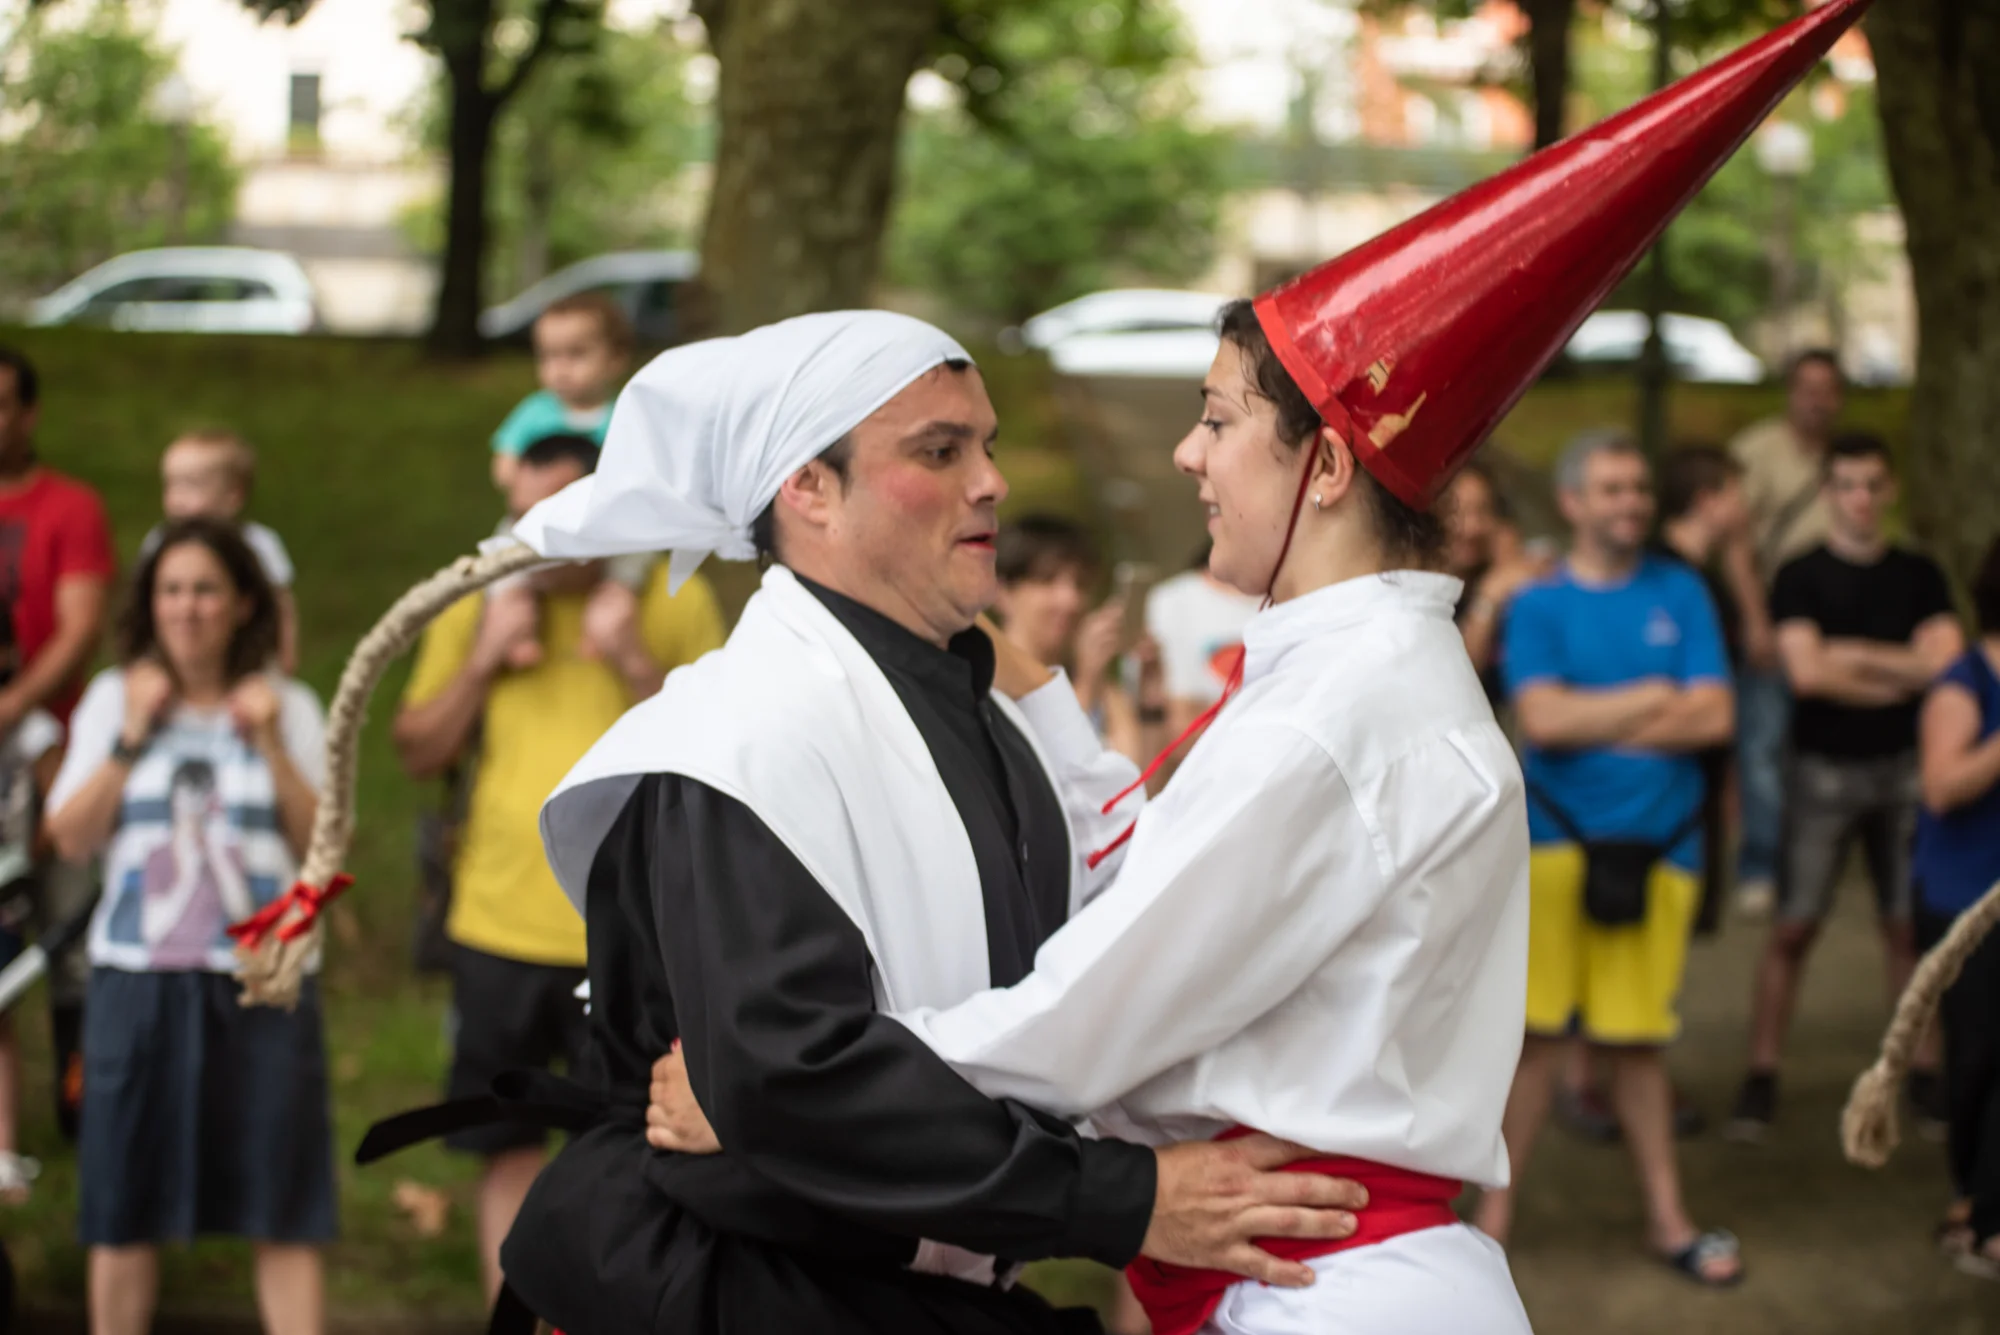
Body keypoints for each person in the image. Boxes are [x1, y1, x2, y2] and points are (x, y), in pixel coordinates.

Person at [639, 4, 1868, 1327]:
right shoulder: (1353, 679)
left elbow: (1088, 1015)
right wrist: (1038, 691)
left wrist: (774, 1095)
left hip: (1327, 1291)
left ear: (1325, 464)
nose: (1188, 453)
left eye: (1218, 419)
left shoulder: (1335, 718)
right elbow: (1162, 875)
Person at [390, 432, 724, 1303]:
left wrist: (634, 659)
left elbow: (729, 759)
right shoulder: (480, 600)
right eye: (524, 519)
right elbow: (417, 750)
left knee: (622, 1148)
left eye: (561, 517)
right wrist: (481, 658)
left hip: (631, 937)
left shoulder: (673, 592)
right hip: (496, 921)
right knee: (503, 1140)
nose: (538, 539)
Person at [43, 518, 330, 1335]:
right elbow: (68, 836)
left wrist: (270, 743)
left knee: (283, 1202)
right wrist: (130, 739)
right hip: (137, 985)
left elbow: (324, 845)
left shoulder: (291, 705)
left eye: (206, 589)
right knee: (122, 1201)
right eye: (171, 589)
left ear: (244, 603)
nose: (187, 607)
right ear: (150, 603)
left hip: (265, 987)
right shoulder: (113, 698)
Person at [1473, 430, 1741, 1287]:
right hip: (1557, 844)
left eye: (1639, 487)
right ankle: (1488, 1229)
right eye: (1612, 488)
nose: (1631, 502)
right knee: (1539, 1039)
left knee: (1637, 1040)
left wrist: (1598, 714)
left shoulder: (1682, 589)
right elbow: (1542, 721)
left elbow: (1716, 716)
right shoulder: (1539, 600)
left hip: (1664, 848)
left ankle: (1669, 1220)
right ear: (1572, 502)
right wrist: (1659, 695)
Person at [1730, 433, 1963, 1140]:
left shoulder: (1919, 573)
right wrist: (1898, 669)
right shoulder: (1801, 574)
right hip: (1821, 771)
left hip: (1906, 770)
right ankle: (1761, 1071)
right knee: (1794, 924)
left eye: (1871, 484)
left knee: (1907, 926)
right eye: (1847, 484)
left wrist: (1850, 654)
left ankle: (1920, 1071)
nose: (1860, 498)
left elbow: (1944, 669)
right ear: (1828, 492)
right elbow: (1807, 675)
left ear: (1889, 490)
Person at [0, 345, 118, 1147]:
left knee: (73, 938)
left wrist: (13, 707)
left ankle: (85, 1109)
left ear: (29, 413)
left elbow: (80, 630)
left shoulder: (69, 508)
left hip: (62, 757)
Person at [1726, 349, 1845, 918]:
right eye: (1807, 387)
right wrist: (1755, 621)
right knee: (1763, 746)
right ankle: (1760, 864)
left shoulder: (1845, 458)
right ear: (1790, 392)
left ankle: (1816, 860)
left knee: (1819, 746)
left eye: (1827, 389)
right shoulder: (1758, 451)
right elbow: (1736, 546)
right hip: (1775, 613)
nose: (1816, 400)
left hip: (1834, 621)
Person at [1914, 536, 2000, 1276]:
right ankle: (1972, 1205)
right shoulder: (1963, 681)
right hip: (1964, 904)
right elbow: (1943, 786)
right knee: (1977, 1058)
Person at [993, 514, 1168, 766]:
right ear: (1001, 591)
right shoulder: (987, 682)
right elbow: (1038, 770)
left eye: (1080, 584)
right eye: (1047, 581)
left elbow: (1140, 778)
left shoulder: (1105, 690)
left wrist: (1151, 703)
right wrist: (1087, 683)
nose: (1070, 600)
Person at [141, 429, 300, 673]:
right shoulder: (159, 542)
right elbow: (143, 607)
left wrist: (284, 658)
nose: (176, 499)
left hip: (249, 667)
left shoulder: (258, 543)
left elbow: (281, 606)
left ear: (233, 496)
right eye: (171, 485)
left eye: (191, 485)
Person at [490, 294, 631, 490]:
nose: (560, 369)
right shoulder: (534, 411)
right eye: (548, 355)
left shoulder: (625, 415)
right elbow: (504, 469)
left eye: (576, 353)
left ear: (615, 359)